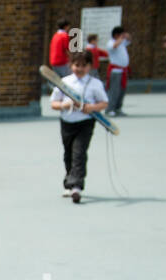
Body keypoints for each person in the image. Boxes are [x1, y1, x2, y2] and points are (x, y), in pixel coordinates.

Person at [48, 50, 109, 203]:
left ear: (90, 66)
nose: (80, 68)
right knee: (68, 154)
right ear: (70, 65)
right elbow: (53, 104)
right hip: (67, 123)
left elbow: (104, 103)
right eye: (76, 65)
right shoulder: (64, 83)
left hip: (85, 123)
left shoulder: (95, 84)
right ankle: (69, 182)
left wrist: (92, 108)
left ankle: (77, 186)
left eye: (84, 65)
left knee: (79, 152)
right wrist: (63, 104)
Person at [106, 25, 132, 115]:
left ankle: (118, 108)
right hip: (115, 71)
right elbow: (114, 46)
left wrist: (127, 37)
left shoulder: (122, 42)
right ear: (117, 35)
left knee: (122, 90)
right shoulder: (111, 42)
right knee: (114, 91)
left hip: (123, 71)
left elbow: (129, 40)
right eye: (121, 34)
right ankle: (110, 109)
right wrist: (121, 38)